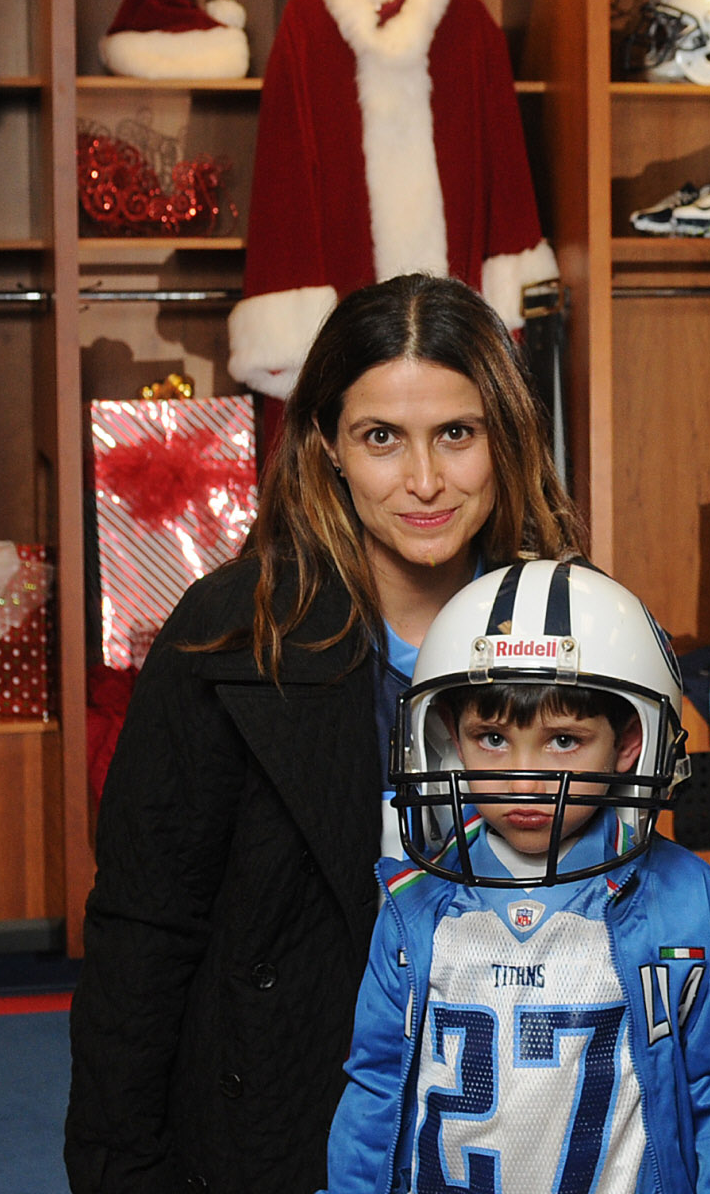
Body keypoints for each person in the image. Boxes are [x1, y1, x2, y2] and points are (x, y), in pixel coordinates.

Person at [66, 274, 582, 1194]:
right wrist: (122, 1170)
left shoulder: (576, 628)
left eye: (456, 435)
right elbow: (143, 929)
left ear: (505, 439)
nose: (424, 481)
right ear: (328, 447)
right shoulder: (228, 634)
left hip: (518, 1112)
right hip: (283, 1118)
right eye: (382, 438)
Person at [326, 559, 710, 1194]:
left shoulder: (688, 905)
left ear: (629, 745)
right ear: (450, 738)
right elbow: (376, 1088)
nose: (524, 778)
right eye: (492, 738)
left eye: (563, 740)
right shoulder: (415, 904)